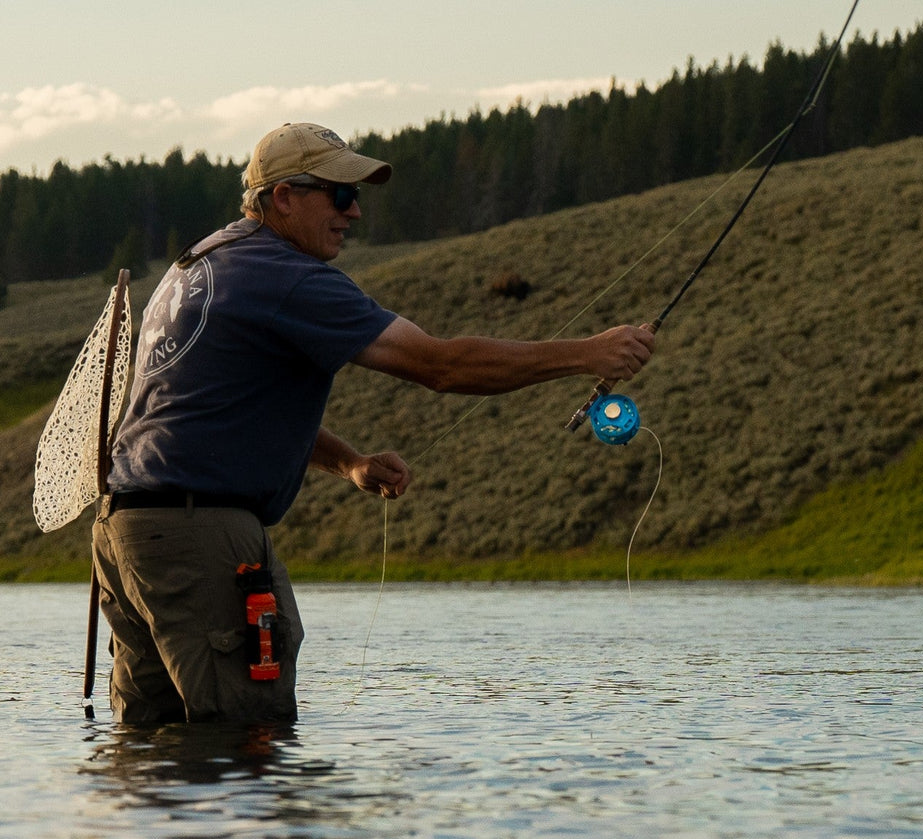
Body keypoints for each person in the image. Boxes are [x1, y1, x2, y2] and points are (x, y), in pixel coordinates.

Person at [93, 122, 655, 724]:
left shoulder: (199, 263)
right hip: (200, 537)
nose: (354, 212)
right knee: (248, 737)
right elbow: (440, 366)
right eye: (340, 195)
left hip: (123, 532)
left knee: (149, 751)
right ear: (284, 197)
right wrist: (586, 354)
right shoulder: (285, 276)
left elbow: (220, 410)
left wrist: (349, 463)